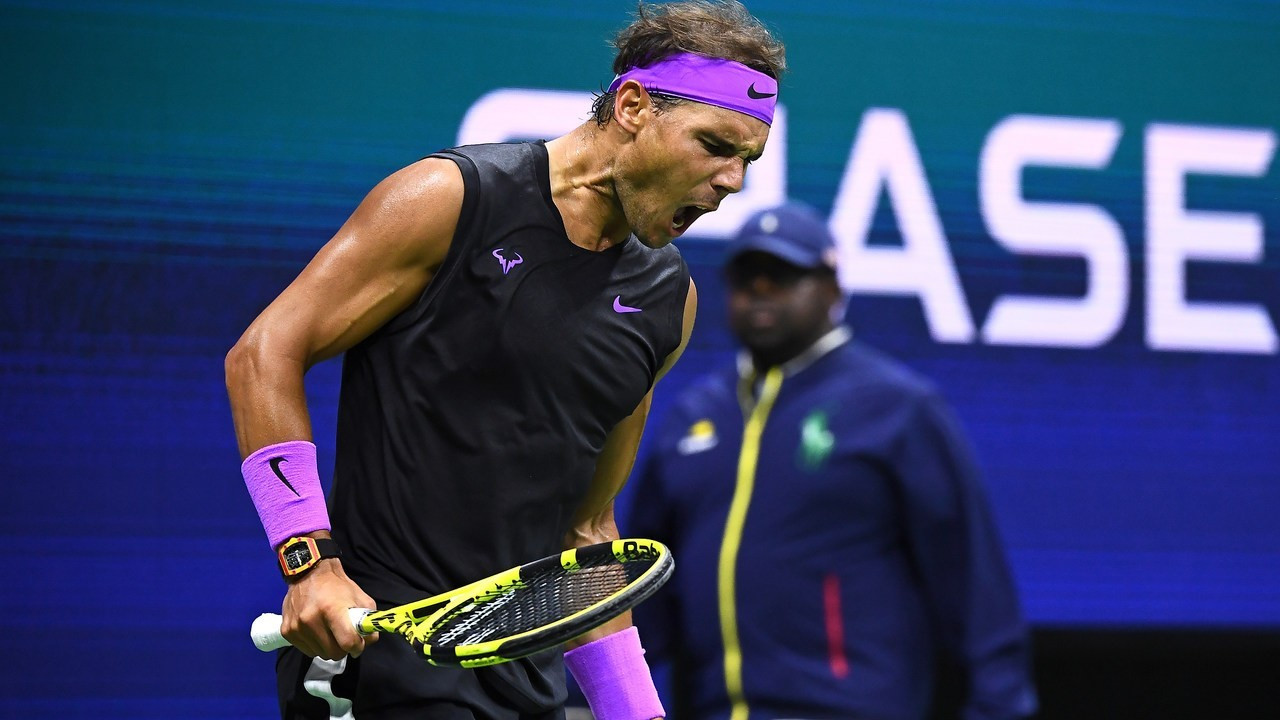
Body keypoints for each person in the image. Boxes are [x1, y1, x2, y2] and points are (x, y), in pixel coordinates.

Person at [223, 2, 786, 718]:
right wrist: (310, 564)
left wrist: (636, 714)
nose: (732, 181)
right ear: (635, 106)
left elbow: (588, 536)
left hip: (529, 693)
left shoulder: (666, 299)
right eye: (714, 145)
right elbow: (264, 352)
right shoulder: (451, 201)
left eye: (747, 160)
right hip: (379, 670)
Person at [627, 201, 1038, 720]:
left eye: (783, 274)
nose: (760, 289)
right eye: (747, 275)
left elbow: (973, 581)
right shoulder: (693, 416)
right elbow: (643, 595)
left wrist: (999, 705)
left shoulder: (896, 408)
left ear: (833, 287)